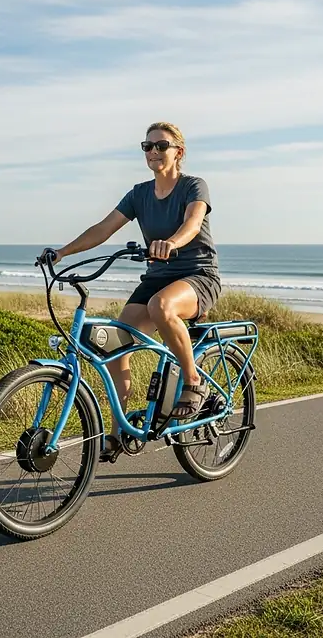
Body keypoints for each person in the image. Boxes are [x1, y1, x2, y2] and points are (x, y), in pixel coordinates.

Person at [39, 122, 222, 461]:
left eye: (161, 146)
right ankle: (118, 431)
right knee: (117, 344)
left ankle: (193, 380)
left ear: (178, 152)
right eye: (147, 146)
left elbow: (192, 224)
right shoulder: (139, 193)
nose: (153, 152)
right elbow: (103, 229)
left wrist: (171, 243)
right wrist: (62, 252)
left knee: (161, 307)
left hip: (197, 274)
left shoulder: (194, 186)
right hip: (157, 276)